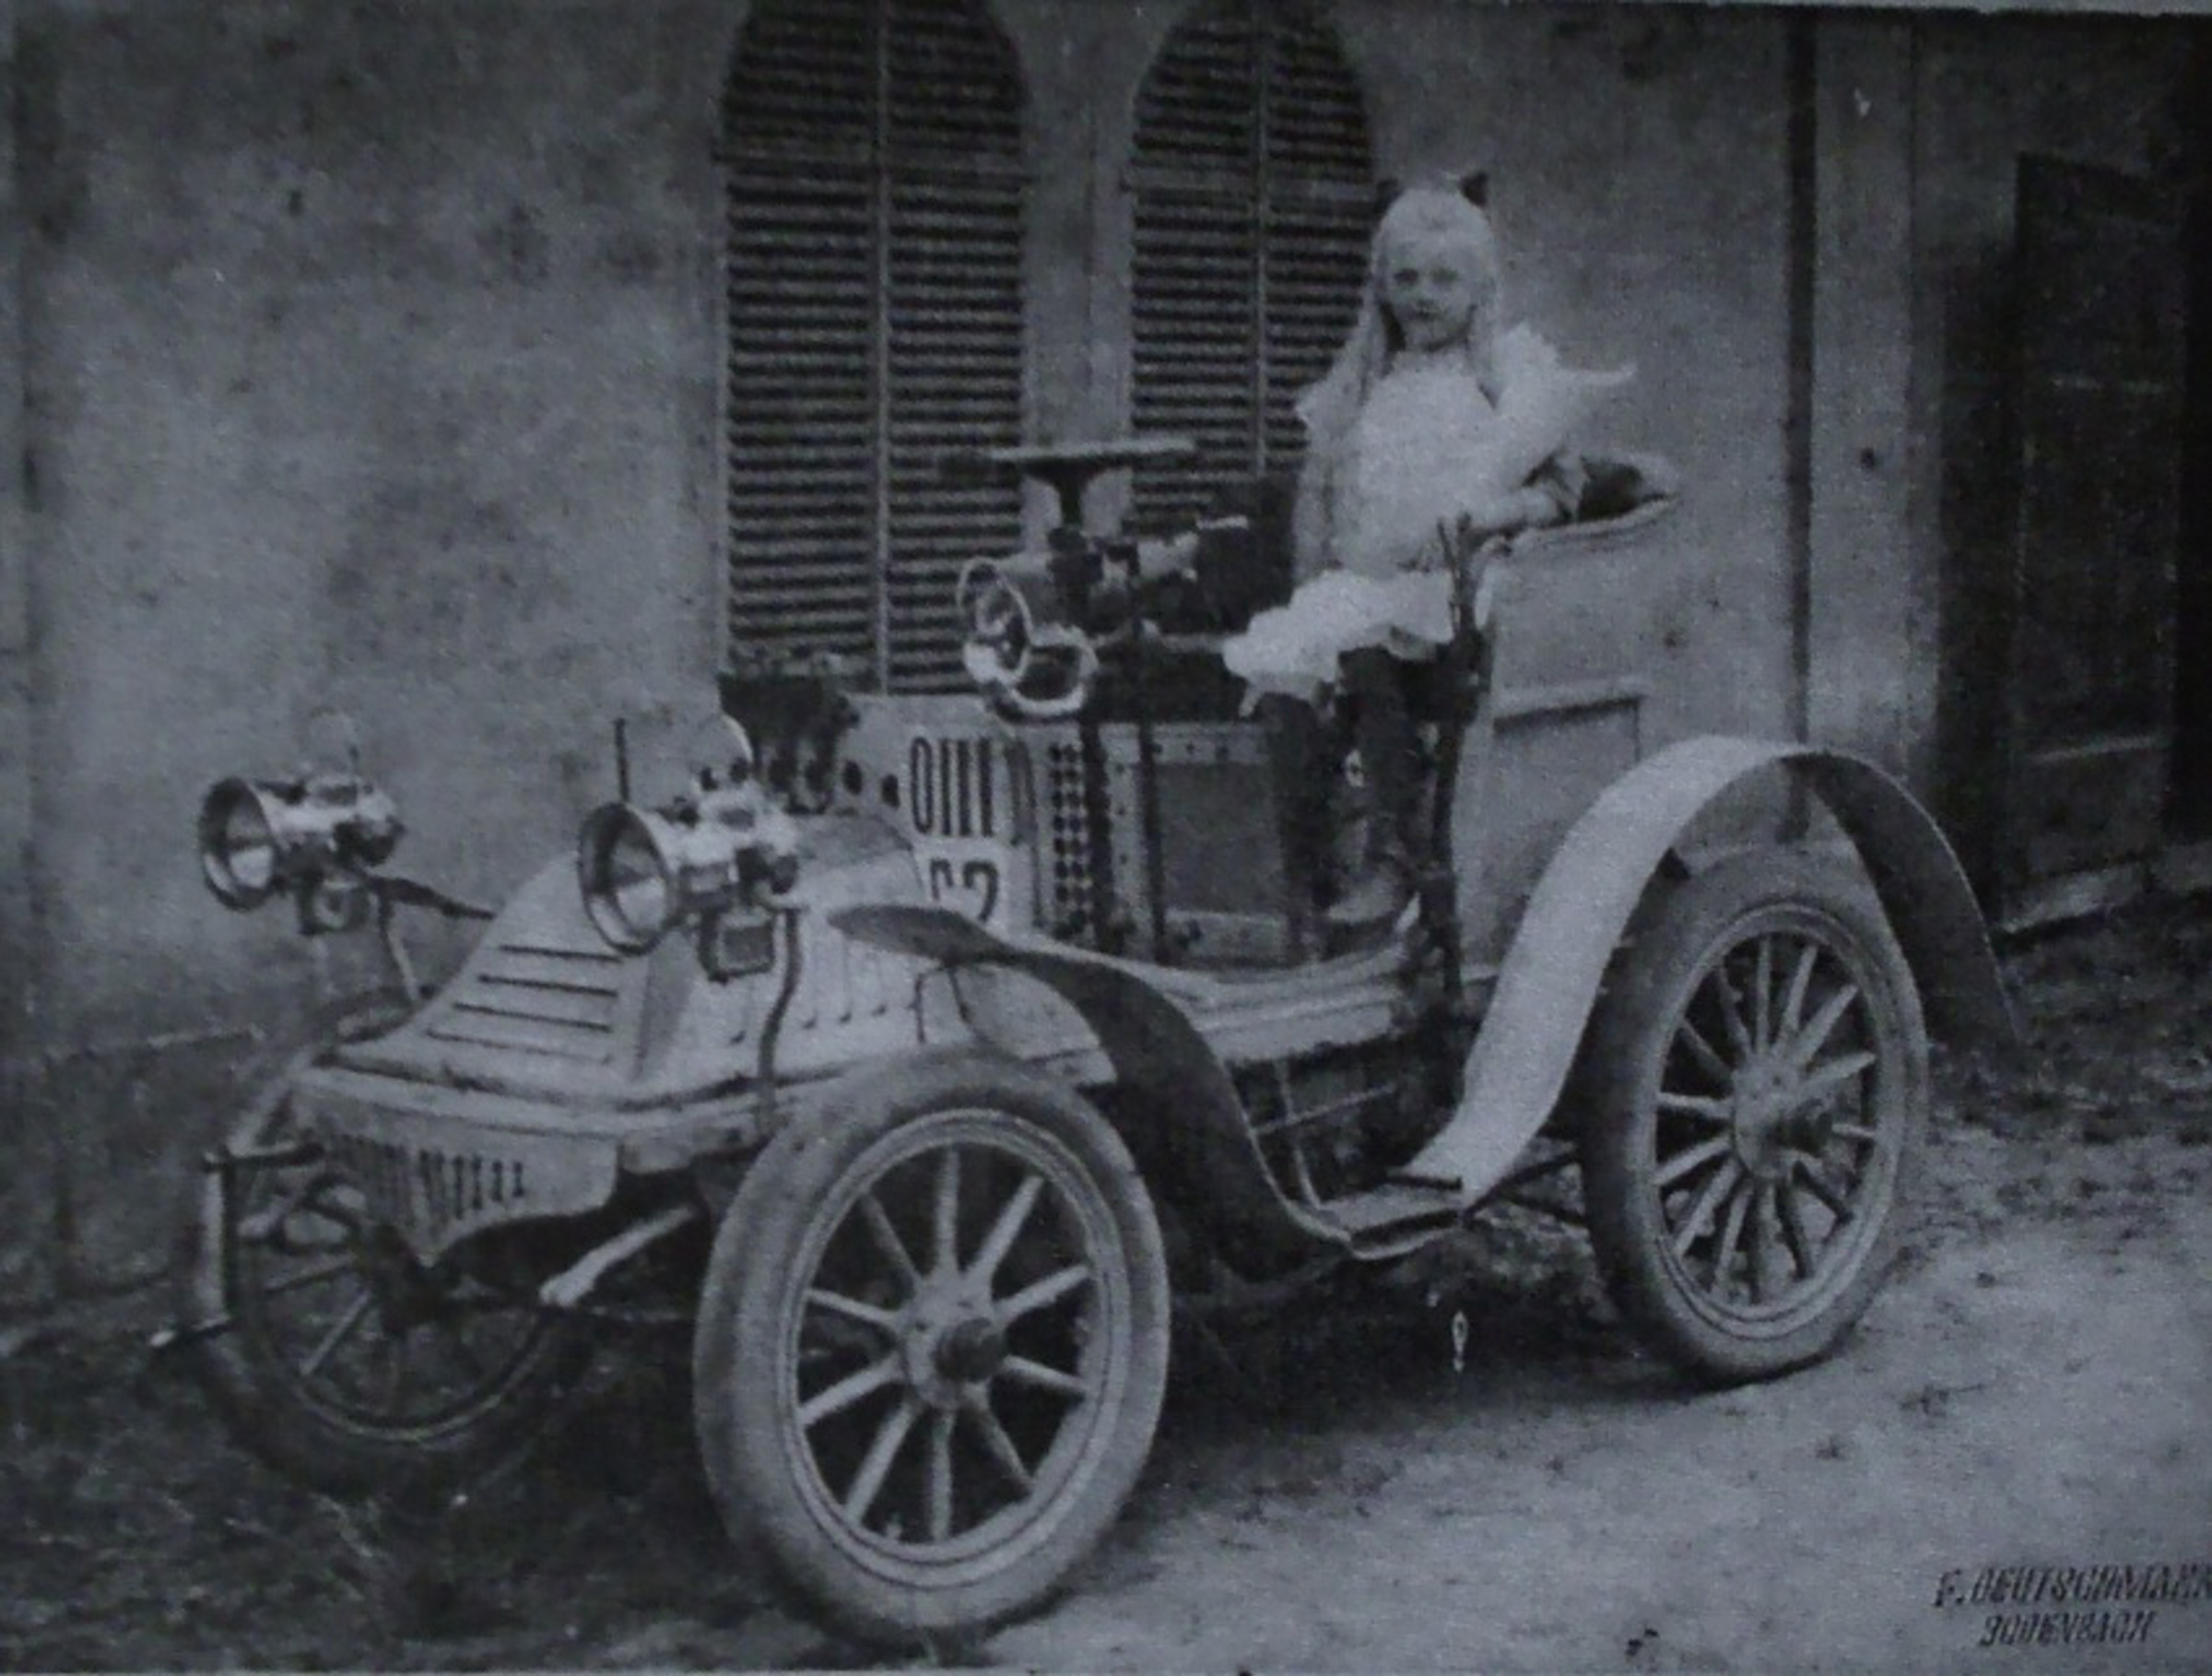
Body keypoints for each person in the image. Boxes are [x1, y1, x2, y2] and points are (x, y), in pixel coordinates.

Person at [1230, 175, 1627, 931]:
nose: (1424, 296)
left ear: (1479, 289)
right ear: (1382, 287)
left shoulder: (1503, 379)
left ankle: (1396, 854)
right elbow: (1318, 502)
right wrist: (1313, 582)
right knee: (1288, 685)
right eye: (1407, 278)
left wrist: (1495, 514)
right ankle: (1305, 879)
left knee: (1367, 652)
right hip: (1365, 581)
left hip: (1459, 587)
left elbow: (1563, 487)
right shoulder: (1360, 386)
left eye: (1445, 280)